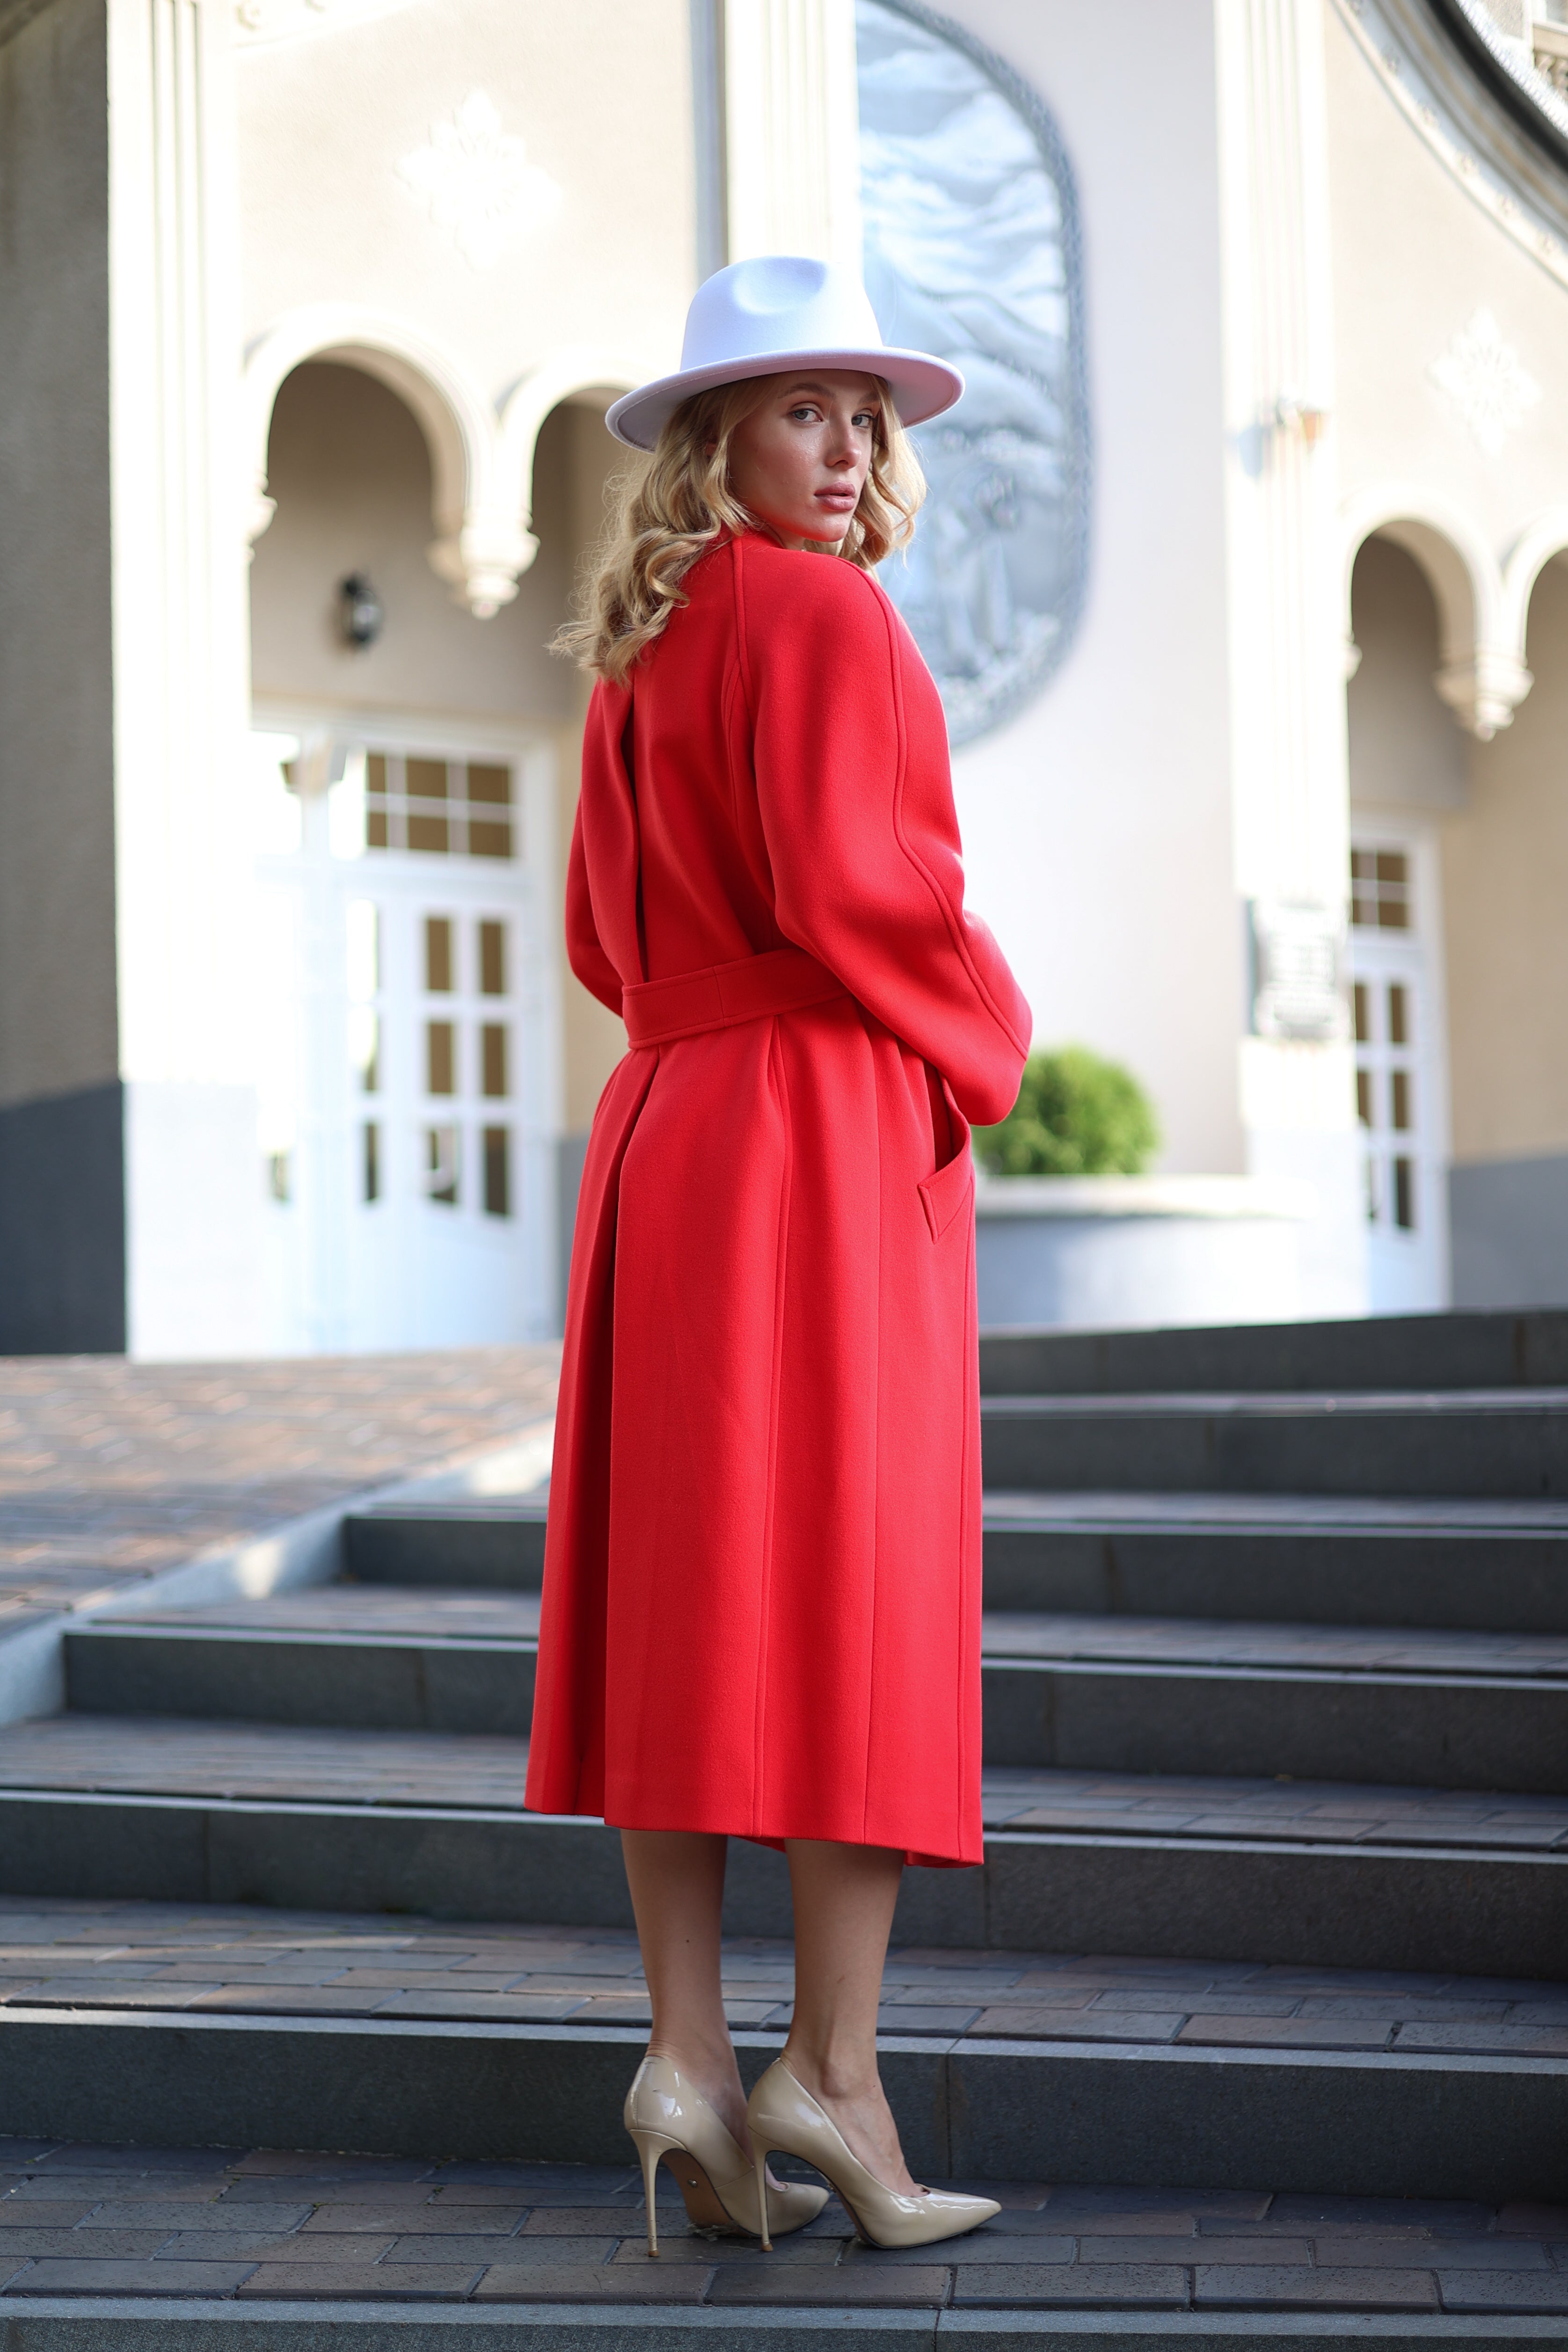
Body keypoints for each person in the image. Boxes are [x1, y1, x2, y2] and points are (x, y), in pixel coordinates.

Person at [525, 254, 1031, 2255]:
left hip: (666, 1135)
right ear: (718, 439)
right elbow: (871, 894)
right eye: (806, 409)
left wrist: (703, 1013)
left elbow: (591, 936)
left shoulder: (636, 652)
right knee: (852, 1591)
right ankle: (832, 2075)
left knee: (683, 1593)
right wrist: (980, 1039)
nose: (849, 449)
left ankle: (685, 2068)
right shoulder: (828, 620)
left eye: (866, 415)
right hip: (815, 1132)